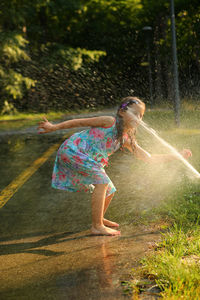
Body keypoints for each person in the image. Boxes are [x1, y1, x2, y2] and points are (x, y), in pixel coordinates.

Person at [38, 96, 192, 236]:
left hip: (85, 158)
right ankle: (96, 225)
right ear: (122, 112)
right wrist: (54, 127)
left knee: (110, 189)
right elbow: (79, 122)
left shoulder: (125, 138)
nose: (138, 118)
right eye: (135, 113)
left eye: (141, 115)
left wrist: (177, 156)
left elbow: (149, 158)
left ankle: (99, 219)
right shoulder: (109, 121)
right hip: (73, 150)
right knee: (102, 182)